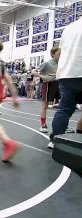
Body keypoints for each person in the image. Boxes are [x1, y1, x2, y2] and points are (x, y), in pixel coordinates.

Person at [48, 17, 82, 148]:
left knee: (64, 109)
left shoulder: (69, 28)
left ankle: (54, 140)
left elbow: (61, 51)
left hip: (66, 74)